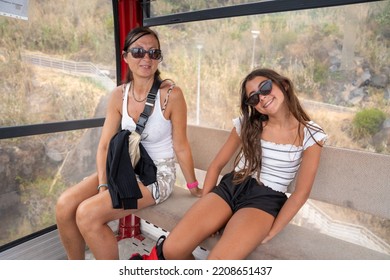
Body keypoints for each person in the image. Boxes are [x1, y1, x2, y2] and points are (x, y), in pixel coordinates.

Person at [143, 68, 327, 260]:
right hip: (231, 187)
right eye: (254, 98)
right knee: (172, 249)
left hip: (264, 200)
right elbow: (216, 165)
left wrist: (273, 230)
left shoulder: (310, 133)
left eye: (265, 87)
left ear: (284, 85)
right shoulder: (247, 124)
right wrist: (205, 202)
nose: (262, 98)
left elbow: (300, 193)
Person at [55, 26, 201, 260]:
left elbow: (181, 145)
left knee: (87, 214)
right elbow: (104, 146)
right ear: (125, 57)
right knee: (65, 205)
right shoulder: (118, 95)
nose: (146, 58)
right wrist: (104, 185)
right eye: (138, 52)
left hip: (156, 176)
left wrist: (193, 187)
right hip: (126, 166)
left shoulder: (171, 95)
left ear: (159, 58)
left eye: (154, 53)